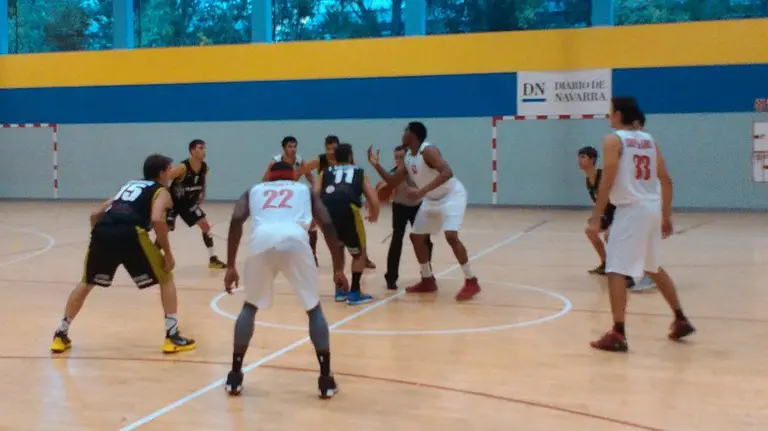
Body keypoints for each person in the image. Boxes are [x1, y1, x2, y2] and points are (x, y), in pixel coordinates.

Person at [50, 154, 196, 355]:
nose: (172, 172)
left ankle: (60, 333)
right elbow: (157, 219)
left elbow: (95, 214)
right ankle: (172, 336)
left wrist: (99, 238)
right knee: (166, 277)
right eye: (169, 169)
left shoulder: (129, 185)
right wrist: (168, 254)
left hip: (103, 232)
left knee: (86, 283)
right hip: (131, 234)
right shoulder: (161, 191)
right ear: (162, 172)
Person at [222, 161, 346, 398]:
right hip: (295, 240)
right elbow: (327, 223)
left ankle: (234, 377)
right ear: (292, 177)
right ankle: (326, 380)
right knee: (313, 308)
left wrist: (230, 265)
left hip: (262, 241)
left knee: (249, 307)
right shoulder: (304, 190)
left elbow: (236, 219)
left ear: (270, 177)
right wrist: (338, 267)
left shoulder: (254, 190)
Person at [587, 96, 695, 352]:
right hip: (651, 208)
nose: (608, 116)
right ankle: (680, 319)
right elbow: (666, 179)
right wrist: (666, 215)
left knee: (615, 269)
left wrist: (597, 215)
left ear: (618, 114)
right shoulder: (649, 140)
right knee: (652, 266)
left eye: (610, 111)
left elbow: (608, 179)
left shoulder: (613, 140)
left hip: (630, 210)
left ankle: (618, 332)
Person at [368, 121, 481, 301]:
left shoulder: (427, 151)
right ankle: (427, 279)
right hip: (431, 199)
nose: (402, 134)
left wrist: (421, 192)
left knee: (451, 235)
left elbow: (447, 172)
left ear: (412, 135)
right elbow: (393, 181)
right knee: (417, 237)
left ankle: (471, 280)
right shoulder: (408, 157)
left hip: (451, 196)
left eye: (405, 131)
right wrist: (376, 165)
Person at [578, 146, 655, 292]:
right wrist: (597, 217)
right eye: (579, 157)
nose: (579, 160)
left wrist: (601, 217)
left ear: (592, 160)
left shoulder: (603, 176)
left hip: (622, 212)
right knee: (590, 231)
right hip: (610, 215)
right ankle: (605, 264)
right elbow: (601, 202)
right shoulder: (589, 180)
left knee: (611, 236)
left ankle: (634, 273)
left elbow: (614, 198)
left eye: (583, 157)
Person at [295, 135, 377, 270]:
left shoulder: (349, 163)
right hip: (326, 202)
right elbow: (303, 170)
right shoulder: (320, 160)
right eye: (328, 149)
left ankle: (364, 257)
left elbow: (359, 181)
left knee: (357, 231)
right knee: (320, 230)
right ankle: (314, 257)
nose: (331, 152)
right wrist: (296, 181)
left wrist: (369, 199)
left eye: (333, 149)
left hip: (346, 199)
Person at [318, 143, 380, 305]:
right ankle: (355, 292)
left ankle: (340, 290)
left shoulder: (325, 172)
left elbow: (315, 195)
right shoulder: (358, 171)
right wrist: (375, 212)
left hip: (327, 212)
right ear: (351, 156)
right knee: (359, 253)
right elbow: (373, 197)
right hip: (348, 209)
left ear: (335, 158)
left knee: (337, 249)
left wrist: (313, 219)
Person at [163, 139, 226, 269]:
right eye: (200, 148)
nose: (204, 151)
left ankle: (213, 259)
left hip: (188, 203)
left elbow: (203, 181)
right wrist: (163, 197)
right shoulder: (183, 167)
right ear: (192, 151)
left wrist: (203, 194)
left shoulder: (204, 167)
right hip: (174, 203)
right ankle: (154, 258)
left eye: (204, 148)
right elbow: (165, 178)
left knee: (205, 227)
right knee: (165, 229)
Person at [383, 145, 434, 291]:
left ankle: (427, 274)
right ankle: (391, 278)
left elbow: (428, 187)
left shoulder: (417, 172)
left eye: (401, 157)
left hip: (417, 207)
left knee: (425, 241)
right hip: (399, 207)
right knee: (396, 241)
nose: (398, 160)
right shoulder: (393, 174)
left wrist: (418, 191)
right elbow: (384, 189)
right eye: (396, 157)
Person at [263, 136, 320, 265]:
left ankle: (312, 253)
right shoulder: (275, 162)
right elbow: (264, 181)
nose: (293, 149)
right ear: (284, 148)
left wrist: (315, 192)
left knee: (312, 223)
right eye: (290, 146)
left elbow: (312, 180)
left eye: (295, 146)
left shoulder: (300, 161)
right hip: (279, 197)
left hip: (293, 196)